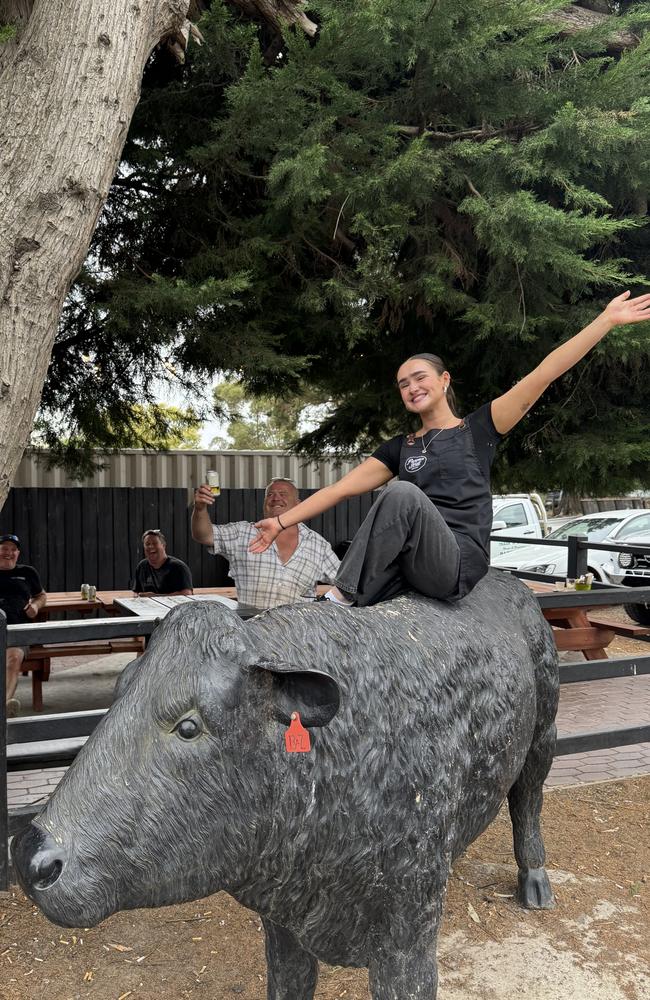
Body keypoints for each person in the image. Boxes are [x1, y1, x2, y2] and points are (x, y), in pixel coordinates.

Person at [250, 291, 650, 607]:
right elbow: (338, 490)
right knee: (398, 496)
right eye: (403, 384)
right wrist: (280, 524)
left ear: (444, 381)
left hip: (456, 563)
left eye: (419, 377)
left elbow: (543, 373)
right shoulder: (399, 448)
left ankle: (340, 596)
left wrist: (605, 321)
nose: (411, 387)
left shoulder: (479, 428)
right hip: (412, 563)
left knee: (402, 492)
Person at [191, 477, 340, 610]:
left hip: (297, 637)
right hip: (251, 633)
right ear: (264, 503)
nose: (276, 498)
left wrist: (324, 610)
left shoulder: (317, 544)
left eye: (283, 494)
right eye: (270, 494)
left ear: (298, 504)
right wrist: (200, 509)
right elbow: (204, 535)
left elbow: (345, 582)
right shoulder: (242, 533)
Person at [0, 533, 47, 717]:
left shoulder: (27, 572)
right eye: (4, 548)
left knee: (12, 659)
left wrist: (35, 606)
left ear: (18, 553)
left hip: (17, 631)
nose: (9, 553)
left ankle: (3, 707)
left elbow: (41, 595)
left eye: (13, 549)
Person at [132, 530, 193, 596]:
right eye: (147, 544)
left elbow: (187, 593)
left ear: (163, 546)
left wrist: (155, 597)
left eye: (154, 543)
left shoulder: (178, 567)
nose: (150, 546)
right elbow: (136, 592)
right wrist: (136, 596)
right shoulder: (142, 566)